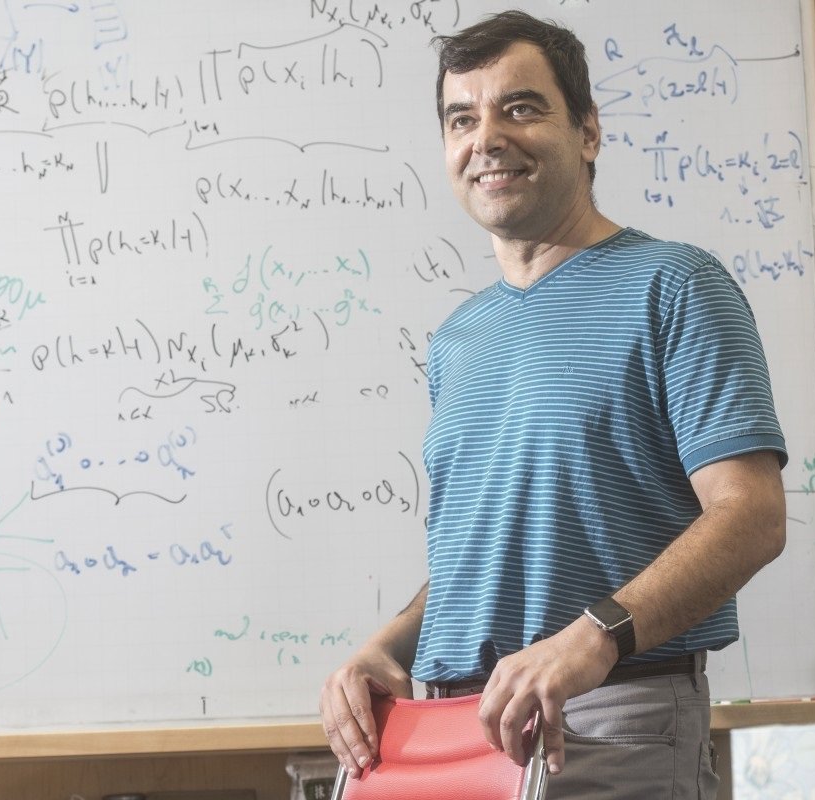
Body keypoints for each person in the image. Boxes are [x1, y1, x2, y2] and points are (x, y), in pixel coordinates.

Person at [319, 10, 787, 798]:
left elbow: (752, 515)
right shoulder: (459, 338)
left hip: (606, 720)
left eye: (521, 108)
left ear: (588, 132)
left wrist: (596, 635)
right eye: (462, 119)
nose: (487, 138)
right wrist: (389, 646)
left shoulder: (675, 285)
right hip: (448, 730)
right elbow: (488, 555)